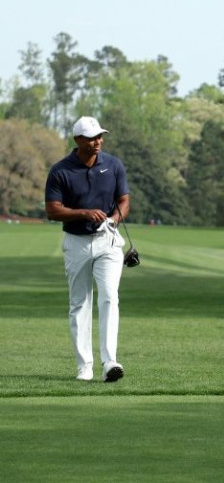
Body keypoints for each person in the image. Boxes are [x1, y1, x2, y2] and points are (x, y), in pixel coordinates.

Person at [44, 116, 129, 382]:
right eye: (92, 138)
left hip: (108, 241)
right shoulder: (60, 171)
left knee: (109, 297)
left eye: (100, 136)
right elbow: (52, 210)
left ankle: (110, 362)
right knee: (80, 304)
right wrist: (83, 213)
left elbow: (123, 200)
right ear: (78, 140)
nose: (98, 142)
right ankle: (84, 366)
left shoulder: (113, 165)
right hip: (76, 242)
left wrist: (114, 219)